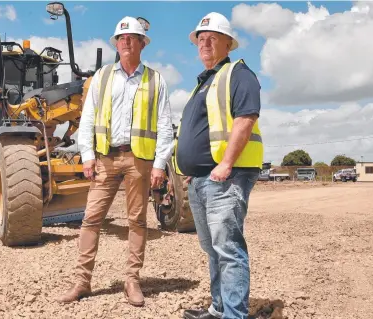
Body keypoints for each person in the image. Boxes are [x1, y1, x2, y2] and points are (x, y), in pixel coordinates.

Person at [58, 16, 174, 307]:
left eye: (131, 38)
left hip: (139, 160)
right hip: (105, 159)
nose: (125, 42)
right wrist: (87, 155)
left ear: (141, 44)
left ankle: (132, 281)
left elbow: (165, 125)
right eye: (121, 39)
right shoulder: (102, 77)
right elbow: (87, 119)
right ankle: (82, 282)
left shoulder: (155, 80)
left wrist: (160, 163)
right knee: (91, 219)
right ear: (117, 44)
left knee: (137, 220)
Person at [173, 12, 264, 319]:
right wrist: (192, 172)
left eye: (212, 37)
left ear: (229, 44)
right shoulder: (205, 82)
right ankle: (219, 309)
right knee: (213, 249)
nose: (205, 43)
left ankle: (234, 315)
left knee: (228, 249)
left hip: (227, 176)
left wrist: (225, 163)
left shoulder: (238, 74)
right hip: (201, 179)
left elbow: (245, 119)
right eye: (201, 38)